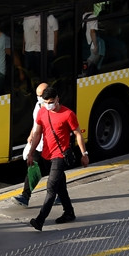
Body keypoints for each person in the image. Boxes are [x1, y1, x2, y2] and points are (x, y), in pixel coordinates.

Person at [26, 85, 88, 230]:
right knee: (61, 187)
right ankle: (69, 212)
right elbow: (37, 134)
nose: (48, 105)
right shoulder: (42, 112)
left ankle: (40, 220)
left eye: (51, 102)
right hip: (46, 155)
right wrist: (31, 153)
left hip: (60, 156)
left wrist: (84, 154)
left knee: (51, 188)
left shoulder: (68, 114)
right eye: (46, 102)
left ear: (57, 99)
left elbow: (78, 133)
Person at [12, 83, 49, 207]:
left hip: (50, 146)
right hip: (38, 144)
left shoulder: (52, 108)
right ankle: (25, 196)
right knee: (32, 167)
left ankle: (61, 195)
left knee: (55, 172)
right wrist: (31, 134)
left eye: (41, 95)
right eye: (37, 95)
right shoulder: (38, 105)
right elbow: (35, 123)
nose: (39, 97)